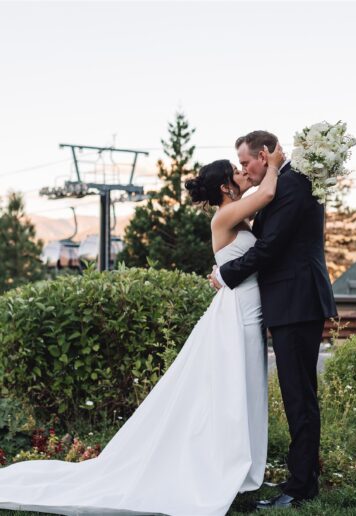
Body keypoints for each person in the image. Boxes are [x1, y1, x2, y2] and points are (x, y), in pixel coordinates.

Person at [0, 145, 285, 516]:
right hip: (238, 315)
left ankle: (234, 462)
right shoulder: (226, 215)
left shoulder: (234, 214)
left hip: (243, 308)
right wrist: (275, 164)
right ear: (224, 188)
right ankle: (220, 464)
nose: (243, 173)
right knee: (233, 390)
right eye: (236, 171)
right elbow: (266, 193)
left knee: (240, 389)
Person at [209, 130, 337, 510]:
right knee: (297, 393)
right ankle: (302, 475)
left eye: (246, 162)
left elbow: (271, 246)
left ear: (264, 155)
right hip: (288, 302)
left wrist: (225, 274)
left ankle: (301, 487)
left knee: (299, 395)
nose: (244, 170)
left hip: (297, 300)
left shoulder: (291, 185)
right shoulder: (282, 181)